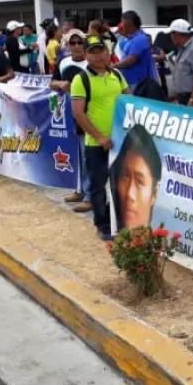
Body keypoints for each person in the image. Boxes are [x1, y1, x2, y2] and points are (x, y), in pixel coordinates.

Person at [70, 36, 131, 241]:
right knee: (98, 186)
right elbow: (78, 113)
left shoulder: (117, 74)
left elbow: (130, 100)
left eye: (100, 51)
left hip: (119, 142)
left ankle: (118, 220)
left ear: (107, 52)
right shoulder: (81, 80)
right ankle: (102, 224)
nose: (98, 56)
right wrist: (100, 137)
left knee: (120, 184)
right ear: (86, 55)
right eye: (93, 52)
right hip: (96, 144)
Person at [51, 29, 93, 213]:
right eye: (73, 43)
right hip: (67, 115)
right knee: (75, 155)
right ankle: (80, 190)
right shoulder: (63, 62)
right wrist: (60, 84)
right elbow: (52, 82)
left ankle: (91, 196)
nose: (76, 46)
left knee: (88, 156)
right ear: (67, 45)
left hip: (87, 113)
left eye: (79, 42)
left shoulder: (91, 64)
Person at [110, 125, 162, 233]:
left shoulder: (159, 246)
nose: (130, 194)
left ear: (154, 192)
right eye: (125, 176)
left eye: (140, 182)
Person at [167, 19, 193, 107]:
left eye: (171, 33)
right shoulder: (181, 50)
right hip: (183, 97)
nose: (170, 37)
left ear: (177, 34)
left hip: (192, 97)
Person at [113, 11, 156, 90]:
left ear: (129, 24)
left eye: (122, 22)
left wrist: (113, 66)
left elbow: (129, 62)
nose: (121, 25)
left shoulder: (139, 39)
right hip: (132, 82)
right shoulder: (133, 38)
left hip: (137, 84)